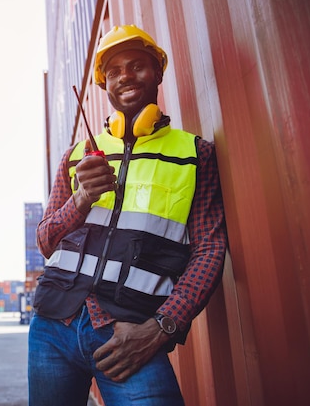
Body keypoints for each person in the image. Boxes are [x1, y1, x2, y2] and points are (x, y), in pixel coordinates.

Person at [28, 24, 227, 405]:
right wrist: (82, 197)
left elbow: (209, 251)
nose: (125, 77)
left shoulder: (194, 153)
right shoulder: (76, 155)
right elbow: (46, 241)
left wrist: (161, 327)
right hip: (53, 326)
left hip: (129, 333)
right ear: (105, 85)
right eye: (114, 71)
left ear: (157, 74)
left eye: (137, 66)